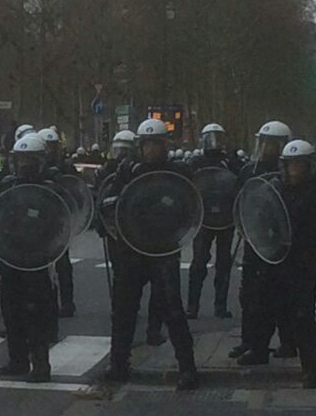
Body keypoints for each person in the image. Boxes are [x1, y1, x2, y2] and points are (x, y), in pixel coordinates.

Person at [104, 118, 198, 390]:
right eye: (146, 145)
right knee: (123, 310)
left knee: (173, 310)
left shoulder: (176, 173)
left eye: (155, 144)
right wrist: (108, 220)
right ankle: (119, 363)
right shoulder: (127, 171)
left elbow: (189, 205)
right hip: (131, 248)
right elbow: (110, 200)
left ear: (164, 145)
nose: (150, 150)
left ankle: (187, 367)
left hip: (163, 249)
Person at [239, 140, 316, 387]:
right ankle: (259, 349)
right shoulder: (275, 189)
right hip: (276, 258)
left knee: (302, 315)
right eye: (289, 165)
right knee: (263, 304)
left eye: (298, 165)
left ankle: (310, 368)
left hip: (305, 261)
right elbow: (262, 218)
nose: (293, 170)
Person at [95, 129, 167, 347]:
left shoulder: (163, 170)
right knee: (125, 294)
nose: (120, 155)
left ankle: (154, 330)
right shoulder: (122, 171)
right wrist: (104, 225)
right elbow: (105, 198)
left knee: (162, 292)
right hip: (127, 237)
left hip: (158, 238)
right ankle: (120, 354)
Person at [0, 133, 57, 383]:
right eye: (20, 159)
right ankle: (17, 359)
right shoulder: (8, 185)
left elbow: (58, 221)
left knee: (36, 313)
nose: (24, 165)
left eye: (29, 160)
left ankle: (40, 364)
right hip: (11, 255)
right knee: (11, 310)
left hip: (37, 257)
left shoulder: (49, 188)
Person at [231, 121, 294, 362]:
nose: (267, 147)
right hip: (254, 239)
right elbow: (238, 200)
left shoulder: (289, 172)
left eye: (273, 143)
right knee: (249, 294)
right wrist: (243, 226)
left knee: (280, 295)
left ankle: (288, 342)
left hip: (281, 242)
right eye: (264, 142)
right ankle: (249, 340)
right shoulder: (250, 170)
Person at [187, 123, 238, 320]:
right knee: (199, 262)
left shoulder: (229, 162)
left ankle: (220, 306)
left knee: (224, 263)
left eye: (218, 137)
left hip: (225, 218)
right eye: (210, 138)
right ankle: (192, 306)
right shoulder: (197, 163)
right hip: (203, 218)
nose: (214, 142)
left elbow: (239, 185)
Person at [38, 127, 76, 319]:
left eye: (53, 146)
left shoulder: (65, 166)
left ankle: (68, 302)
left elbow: (74, 190)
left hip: (60, 220)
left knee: (62, 263)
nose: (51, 150)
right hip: (40, 222)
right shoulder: (38, 167)